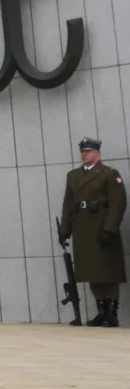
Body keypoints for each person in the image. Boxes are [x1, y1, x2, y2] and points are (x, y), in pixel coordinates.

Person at [60, 137, 127, 327]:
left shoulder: (109, 174)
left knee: (107, 270)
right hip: (83, 227)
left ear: (97, 153)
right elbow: (68, 204)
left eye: (88, 151)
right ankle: (101, 311)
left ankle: (111, 312)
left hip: (101, 225)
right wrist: (65, 229)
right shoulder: (73, 176)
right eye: (82, 151)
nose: (84, 154)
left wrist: (110, 229)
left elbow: (117, 203)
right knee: (91, 270)